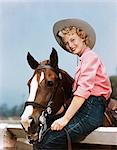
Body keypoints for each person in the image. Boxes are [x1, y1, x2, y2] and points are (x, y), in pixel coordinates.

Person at [33, 18, 112, 150]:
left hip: (91, 109)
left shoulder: (90, 57)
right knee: (44, 137)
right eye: (66, 43)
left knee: (48, 143)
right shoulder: (82, 60)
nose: (70, 45)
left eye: (73, 40)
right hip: (85, 106)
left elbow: (83, 92)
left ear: (82, 37)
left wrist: (64, 120)